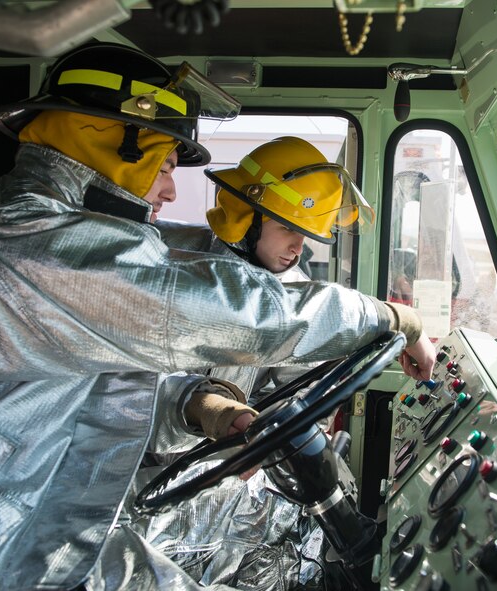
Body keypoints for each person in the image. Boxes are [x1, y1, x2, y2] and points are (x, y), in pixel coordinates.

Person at [0, 42, 435, 591]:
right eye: (165, 165)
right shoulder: (36, 250)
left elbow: (105, 390)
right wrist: (393, 318)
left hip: (40, 525)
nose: (171, 189)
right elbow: (235, 314)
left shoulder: (64, 248)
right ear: (111, 146)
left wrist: (201, 407)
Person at [142, 136, 423, 590]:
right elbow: (133, 386)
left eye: (306, 233)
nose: (298, 246)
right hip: (145, 473)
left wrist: (267, 430)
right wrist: (213, 411)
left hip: (222, 463)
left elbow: (295, 386)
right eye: (287, 227)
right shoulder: (165, 256)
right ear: (245, 215)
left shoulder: (287, 280)